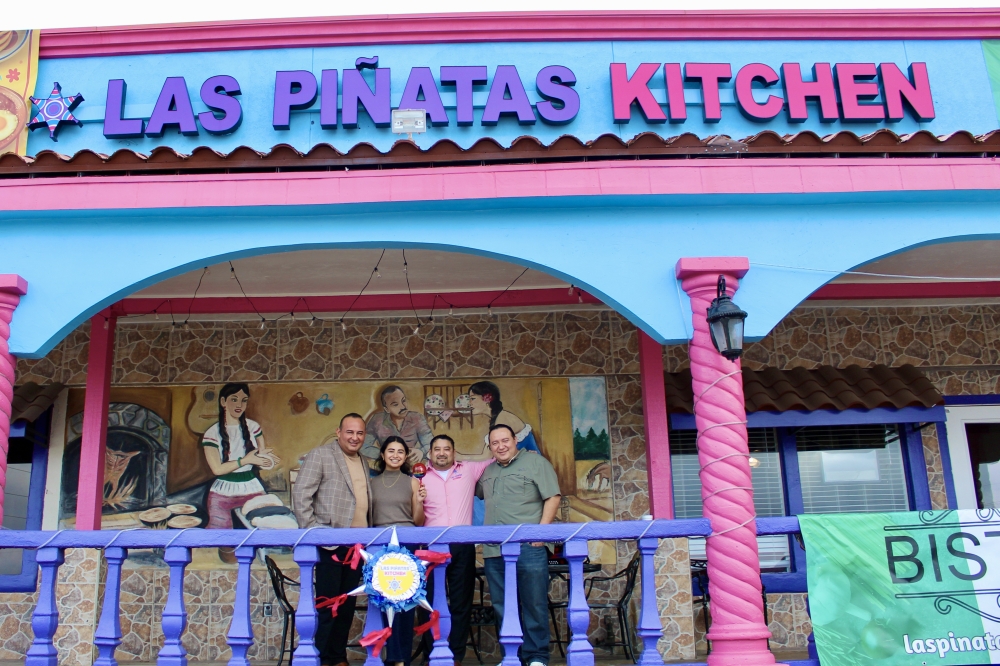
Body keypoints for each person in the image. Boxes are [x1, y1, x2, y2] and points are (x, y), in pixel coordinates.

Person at [292, 413, 373, 666]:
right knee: (327, 605)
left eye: (359, 433)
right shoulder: (321, 455)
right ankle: (317, 658)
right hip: (330, 545)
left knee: (347, 605)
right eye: (350, 432)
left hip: (357, 547)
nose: (354, 437)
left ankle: (337, 656)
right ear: (338, 432)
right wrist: (314, 532)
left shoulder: (363, 462)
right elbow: (301, 495)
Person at [477, 424, 561, 666]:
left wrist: (541, 531)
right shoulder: (488, 471)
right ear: (490, 447)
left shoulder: (537, 463)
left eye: (505, 440)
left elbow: (553, 496)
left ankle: (536, 657)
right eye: (495, 443)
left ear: (515, 440)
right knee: (502, 605)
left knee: (533, 602)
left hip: (529, 548)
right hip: (494, 550)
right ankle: (512, 656)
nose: (501, 446)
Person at [419, 434, 493, 666]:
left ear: (454, 452)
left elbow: (497, 457)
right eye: (437, 449)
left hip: (463, 545)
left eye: (447, 449)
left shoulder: (469, 470)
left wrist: (525, 452)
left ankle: (456, 656)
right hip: (430, 548)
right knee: (428, 603)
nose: (442, 453)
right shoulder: (418, 477)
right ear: (430, 453)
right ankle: (431, 654)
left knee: (461, 603)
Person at [201, 383, 280, 561]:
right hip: (222, 492)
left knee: (260, 535)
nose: (239, 405)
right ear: (223, 402)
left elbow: (260, 457)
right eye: (234, 399)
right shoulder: (212, 433)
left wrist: (267, 460)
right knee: (224, 545)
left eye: (243, 401)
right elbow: (217, 469)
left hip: (252, 489)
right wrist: (245, 460)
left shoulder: (253, 427)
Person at [371, 435, 426, 666]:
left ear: (406, 456)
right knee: (382, 603)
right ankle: (387, 656)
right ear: (383, 455)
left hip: (406, 545)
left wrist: (421, 501)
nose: (395, 455)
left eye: (400, 451)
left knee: (405, 602)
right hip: (380, 547)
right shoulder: (370, 483)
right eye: (391, 451)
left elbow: (419, 521)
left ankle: (401, 658)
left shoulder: (413, 482)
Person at [468, 380, 538, 525]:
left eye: (472, 398)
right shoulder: (496, 420)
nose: (469, 403)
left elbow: (486, 457)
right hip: (510, 472)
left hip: (525, 474)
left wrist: (456, 456)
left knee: (477, 498)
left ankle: (484, 535)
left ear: (487, 398)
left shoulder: (504, 419)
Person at [363, 385, 434, 464]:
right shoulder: (377, 420)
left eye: (403, 400)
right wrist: (385, 454)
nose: (403, 406)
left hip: (410, 466)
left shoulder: (417, 418)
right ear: (387, 409)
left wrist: (421, 452)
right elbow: (363, 446)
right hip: (385, 466)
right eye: (395, 404)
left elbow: (432, 444)